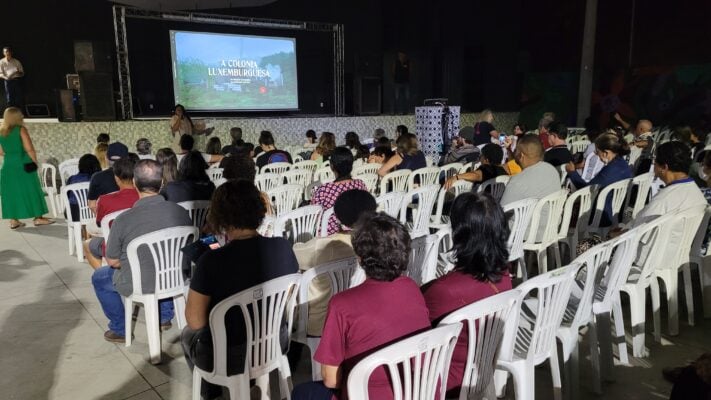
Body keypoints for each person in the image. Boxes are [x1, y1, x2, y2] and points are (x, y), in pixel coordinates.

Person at [291, 213, 431, 400]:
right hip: (415, 391)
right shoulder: (412, 288)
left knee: (301, 392)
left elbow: (331, 380)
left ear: (359, 257)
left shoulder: (342, 304)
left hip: (365, 394)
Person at [182, 180, 299, 399]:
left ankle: (213, 392)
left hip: (230, 355)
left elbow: (195, 321)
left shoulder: (211, 261)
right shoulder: (283, 247)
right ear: (258, 209)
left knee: (187, 335)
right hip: (275, 341)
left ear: (219, 215)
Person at [91, 160, 193, 342]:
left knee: (99, 277)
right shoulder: (181, 212)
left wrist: (136, 259)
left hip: (141, 282)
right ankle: (164, 317)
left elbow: (113, 261)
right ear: (162, 182)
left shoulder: (124, 219)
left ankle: (120, 329)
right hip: (176, 277)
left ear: (135, 183)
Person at [422, 192, 512, 396]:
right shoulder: (504, 274)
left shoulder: (446, 290)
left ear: (459, 232)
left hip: (444, 381)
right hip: (479, 373)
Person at [294, 190, 377, 336]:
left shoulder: (322, 246)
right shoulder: (378, 244)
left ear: (337, 216)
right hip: (355, 318)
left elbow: (293, 253)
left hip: (319, 324)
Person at [0, 107, 54, 229]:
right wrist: (35, 163)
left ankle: (14, 220)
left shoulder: (1, 131)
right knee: (32, 190)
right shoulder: (21, 130)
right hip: (23, 164)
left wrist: (11, 153)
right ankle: (38, 218)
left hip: (8, 166)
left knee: (10, 193)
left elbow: (1, 151)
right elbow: (29, 148)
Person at [83, 157, 140, 269]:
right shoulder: (144, 196)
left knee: (87, 244)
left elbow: (100, 224)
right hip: (140, 241)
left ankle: (105, 274)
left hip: (116, 249)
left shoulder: (105, 200)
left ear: (116, 178)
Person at [566, 133, 633, 226]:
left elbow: (588, 190)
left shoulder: (610, 170)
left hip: (601, 215)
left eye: (597, 152)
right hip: (617, 211)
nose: (596, 155)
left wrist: (572, 173)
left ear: (606, 153)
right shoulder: (623, 164)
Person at [311, 147, 367, 235]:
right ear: (351, 165)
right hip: (357, 234)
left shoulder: (324, 190)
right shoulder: (360, 185)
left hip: (330, 237)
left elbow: (313, 216)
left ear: (331, 166)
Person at [500, 134, 560, 206]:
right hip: (554, 216)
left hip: (528, 217)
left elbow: (501, 212)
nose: (515, 155)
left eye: (516, 151)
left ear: (521, 156)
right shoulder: (552, 170)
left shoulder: (516, 182)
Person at [88, 142, 128, 214]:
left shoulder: (97, 177)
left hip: (107, 220)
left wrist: (103, 218)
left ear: (106, 158)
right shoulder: (136, 175)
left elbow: (92, 205)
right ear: (127, 160)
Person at [66, 154, 102, 222]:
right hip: (93, 213)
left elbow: (68, 196)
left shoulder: (71, 179)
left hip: (74, 214)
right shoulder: (98, 178)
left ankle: (81, 230)